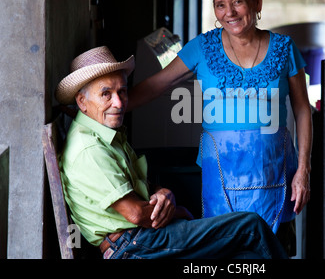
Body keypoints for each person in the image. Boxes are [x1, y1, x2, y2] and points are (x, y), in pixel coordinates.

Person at [128, 0, 312, 254]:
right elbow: (155, 85)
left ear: (256, 1)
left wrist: (303, 170)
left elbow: (302, 110)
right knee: (223, 254)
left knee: (272, 252)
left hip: (273, 173)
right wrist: (108, 107)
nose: (230, 12)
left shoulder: (284, 48)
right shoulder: (203, 48)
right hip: (223, 177)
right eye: (220, 5)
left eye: (237, 2)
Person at [55, 46, 288, 259]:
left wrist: (162, 192)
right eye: (106, 94)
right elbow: (137, 214)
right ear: (82, 101)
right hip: (133, 247)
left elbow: (139, 185)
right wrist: (176, 211)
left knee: (247, 257)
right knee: (252, 227)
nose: (118, 102)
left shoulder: (106, 133)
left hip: (139, 240)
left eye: (122, 92)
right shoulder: (89, 148)